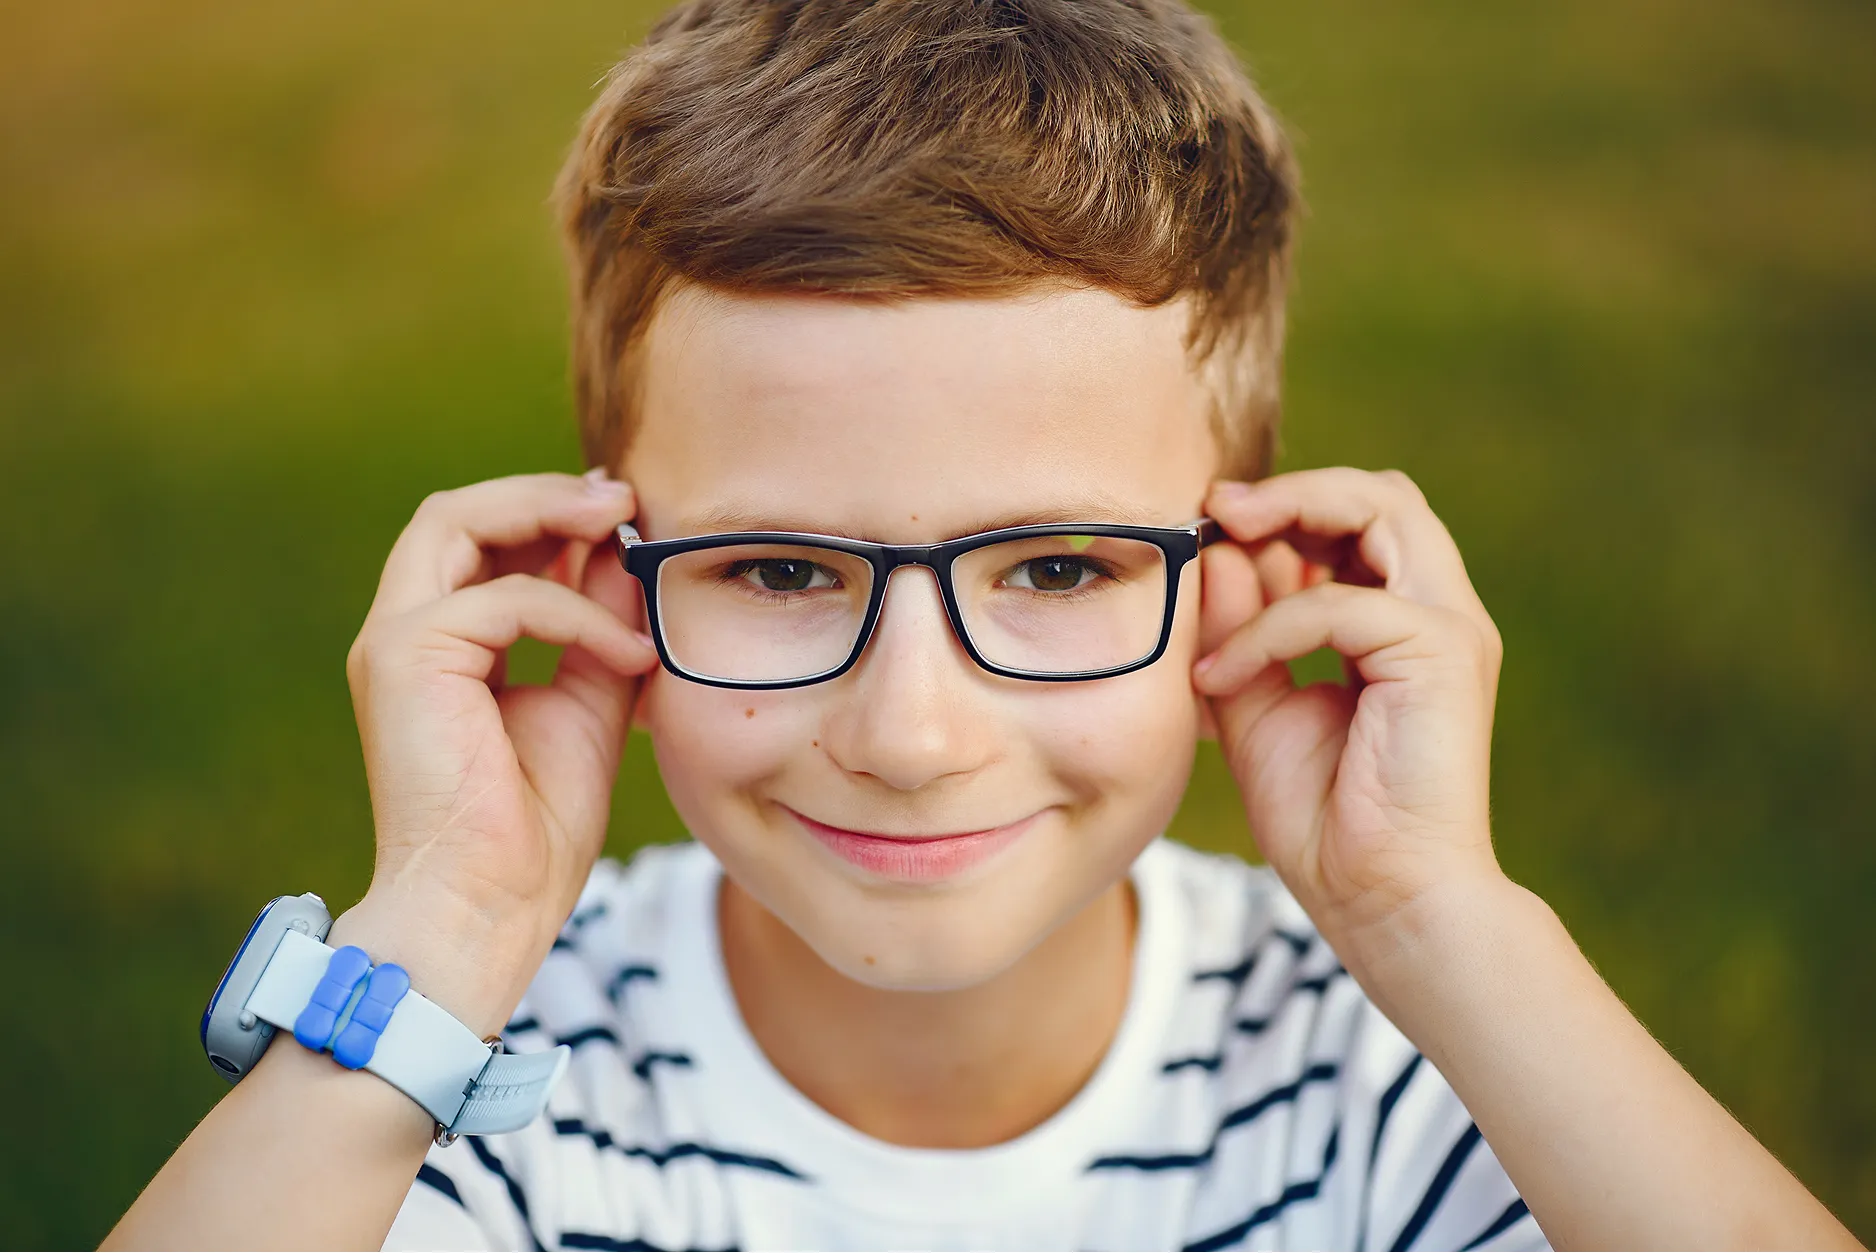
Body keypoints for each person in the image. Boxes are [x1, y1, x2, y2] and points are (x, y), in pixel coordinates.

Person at [108, 1, 1857, 1249]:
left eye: (1063, 569)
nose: (914, 734)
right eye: (783, 571)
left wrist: (1447, 923)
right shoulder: (482, 1077)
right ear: (604, 565)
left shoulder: (1404, 1078)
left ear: (1242, 570)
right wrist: (446, 923)